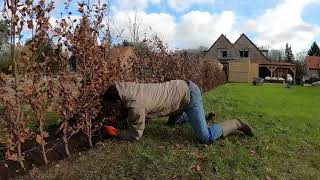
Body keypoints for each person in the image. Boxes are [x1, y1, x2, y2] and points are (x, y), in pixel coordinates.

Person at [101, 80, 254, 144]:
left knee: (205, 137)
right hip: (178, 92)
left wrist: (116, 132)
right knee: (172, 123)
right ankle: (201, 117)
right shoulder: (127, 87)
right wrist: (119, 118)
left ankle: (237, 123)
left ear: (117, 101)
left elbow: (136, 134)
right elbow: (129, 110)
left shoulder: (136, 105)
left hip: (189, 96)